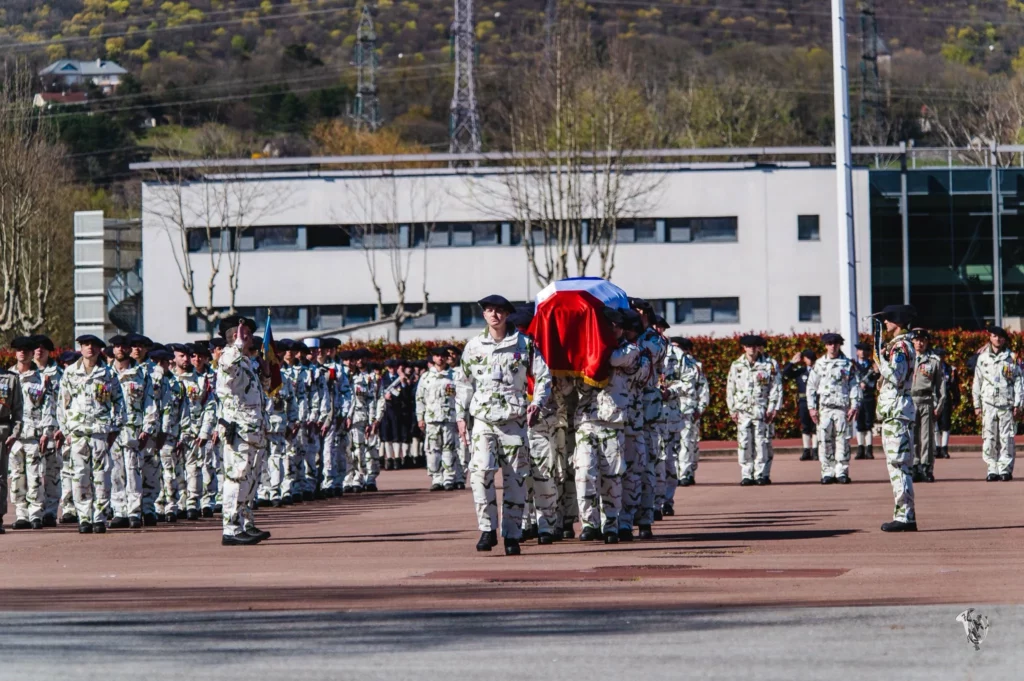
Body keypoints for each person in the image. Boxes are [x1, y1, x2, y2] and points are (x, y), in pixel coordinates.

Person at [457, 294, 551, 556]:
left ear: (507, 314)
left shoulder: (524, 344)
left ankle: (512, 534)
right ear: (484, 315)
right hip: (484, 421)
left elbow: (543, 376)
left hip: (513, 421)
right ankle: (487, 529)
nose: (494, 315)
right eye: (489, 311)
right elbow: (464, 383)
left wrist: (538, 403)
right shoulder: (474, 346)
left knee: (516, 479)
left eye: (499, 311)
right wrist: (461, 417)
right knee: (481, 473)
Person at [58, 335, 125, 534]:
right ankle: (84, 517)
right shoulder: (70, 373)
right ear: (80, 348)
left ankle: (100, 517)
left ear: (99, 350)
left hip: (100, 432)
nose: (90, 349)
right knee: (80, 476)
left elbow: (119, 402)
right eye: (86, 345)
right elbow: (62, 404)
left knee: (102, 476)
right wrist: (66, 431)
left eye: (94, 346)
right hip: (78, 432)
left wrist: (115, 429)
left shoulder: (107, 374)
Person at [216, 315, 271, 546]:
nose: (250, 337)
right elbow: (228, 364)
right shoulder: (229, 358)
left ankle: (245, 523)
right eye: (246, 333)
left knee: (249, 479)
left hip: (253, 430)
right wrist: (237, 344)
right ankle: (230, 529)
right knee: (235, 479)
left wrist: (266, 373)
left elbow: (260, 392)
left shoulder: (247, 362)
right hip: (238, 430)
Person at [874, 304, 918, 532]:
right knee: (898, 464)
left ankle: (905, 516)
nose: (886, 324)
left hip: (897, 411)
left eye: (889, 320)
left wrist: (880, 362)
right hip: (897, 410)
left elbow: (897, 376)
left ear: (897, 322)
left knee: (898, 465)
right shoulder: (899, 345)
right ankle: (904, 514)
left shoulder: (900, 346)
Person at [109, 335, 157, 529]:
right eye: (117, 346)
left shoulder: (141, 375)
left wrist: (148, 427)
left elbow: (149, 403)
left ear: (129, 350)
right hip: (111, 431)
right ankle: (119, 511)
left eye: (124, 346)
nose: (120, 349)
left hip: (133, 430)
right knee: (114, 472)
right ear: (112, 350)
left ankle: (134, 512)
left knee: (133, 472)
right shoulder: (105, 374)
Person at [726, 335, 782, 485]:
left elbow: (776, 387)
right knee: (744, 443)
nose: (751, 349)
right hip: (743, 411)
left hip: (761, 410)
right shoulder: (737, 365)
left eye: (754, 346)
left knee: (761, 443)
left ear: (758, 347)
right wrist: (732, 410)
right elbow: (731, 388)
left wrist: (773, 408)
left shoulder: (769, 364)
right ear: (744, 348)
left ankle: (761, 474)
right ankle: (746, 474)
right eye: (748, 346)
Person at [807, 333, 861, 484]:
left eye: (836, 343)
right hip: (824, 408)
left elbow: (854, 386)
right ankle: (827, 472)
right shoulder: (819, 364)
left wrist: (854, 405)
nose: (833, 346)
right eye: (830, 343)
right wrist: (812, 408)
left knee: (843, 440)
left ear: (840, 345)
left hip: (842, 408)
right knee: (824, 441)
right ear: (825, 346)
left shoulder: (847, 364)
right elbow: (811, 387)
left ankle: (841, 471)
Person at [662, 337, 709, 511]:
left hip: (688, 408)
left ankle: (685, 474)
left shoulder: (695, 366)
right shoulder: (663, 360)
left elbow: (702, 388)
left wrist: (701, 407)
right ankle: (680, 475)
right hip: (669, 409)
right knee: (671, 448)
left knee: (687, 443)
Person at [971, 326, 1023, 482]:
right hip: (988, 403)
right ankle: (992, 468)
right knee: (989, 437)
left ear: (1004, 339)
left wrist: (1019, 404)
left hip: (1006, 403)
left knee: (1006, 437)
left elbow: (1019, 382)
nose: (997, 339)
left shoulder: (1012, 358)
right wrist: (976, 404)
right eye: (994, 336)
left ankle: (1005, 469)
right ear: (990, 338)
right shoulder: (983, 358)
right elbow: (977, 381)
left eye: (1000, 337)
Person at [177, 343, 218, 518]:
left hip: (201, 429)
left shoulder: (205, 379)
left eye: (200, 356)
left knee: (205, 465)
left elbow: (212, 406)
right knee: (179, 469)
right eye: (193, 356)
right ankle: (182, 502)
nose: (196, 359)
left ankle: (204, 502)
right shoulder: (176, 378)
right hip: (179, 430)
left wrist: (207, 431)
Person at [416, 346, 460, 492]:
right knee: (433, 450)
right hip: (432, 419)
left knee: (449, 449)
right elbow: (420, 399)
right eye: (437, 356)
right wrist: (420, 417)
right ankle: (436, 478)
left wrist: (460, 418)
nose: (440, 359)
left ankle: (448, 478)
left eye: (442, 356)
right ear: (433, 358)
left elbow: (460, 398)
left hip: (449, 418)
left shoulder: (454, 376)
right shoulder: (426, 377)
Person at [909, 330, 947, 483]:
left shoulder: (933, 361)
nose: (920, 343)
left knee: (927, 437)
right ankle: (915, 465)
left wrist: (939, 405)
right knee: (912, 436)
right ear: (912, 342)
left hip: (926, 400)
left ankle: (926, 467)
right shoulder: (907, 359)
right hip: (910, 401)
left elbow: (941, 386)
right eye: (917, 340)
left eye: (923, 340)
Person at [6, 337, 35, 530]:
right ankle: (22, 514)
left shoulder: (41, 377)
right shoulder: (7, 377)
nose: (22, 353)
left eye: (26, 350)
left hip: (34, 433)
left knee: (35, 476)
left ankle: (36, 513)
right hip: (14, 435)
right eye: (19, 350)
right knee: (17, 475)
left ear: (32, 353)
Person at [345, 348, 378, 493]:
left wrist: (372, 421)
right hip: (342, 420)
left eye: (354, 360)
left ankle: (358, 478)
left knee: (359, 451)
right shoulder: (341, 377)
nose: (352, 363)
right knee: (345, 451)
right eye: (350, 360)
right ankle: (346, 479)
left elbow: (371, 400)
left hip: (359, 419)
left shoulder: (366, 379)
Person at [783, 350, 818, 461]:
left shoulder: (818, 370)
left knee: (815, 426)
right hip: (803, 401)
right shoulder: (801, 371)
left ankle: (816, 450)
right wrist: (792, 362)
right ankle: (806, 450)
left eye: (809, 358)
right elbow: (786, 373)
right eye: (806, 358)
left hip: (816, 400)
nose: (808, 360)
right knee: (805, 426)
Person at [853, 342, 879, 459]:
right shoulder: (853, 366)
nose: (862, 353)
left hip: (868, 397)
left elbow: (876, 381)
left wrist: (875, 374)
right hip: (858, 398)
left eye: (865, 350)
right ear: (857, 352)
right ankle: (860, 448)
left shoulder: (872, 366)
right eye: (860, 350)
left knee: (869, 424)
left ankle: (869, 449)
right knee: (859, 424)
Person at [933, 348, 957, 459]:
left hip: (946, 398)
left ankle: (944, 448)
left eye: (942, 356)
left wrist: (956, 399)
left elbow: (954, 385)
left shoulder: (949, 369)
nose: (940, 358)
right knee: (935, 424)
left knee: (945, 424)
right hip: (934, 397)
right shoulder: (931, 368)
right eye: (938, 356)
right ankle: (937, 448)